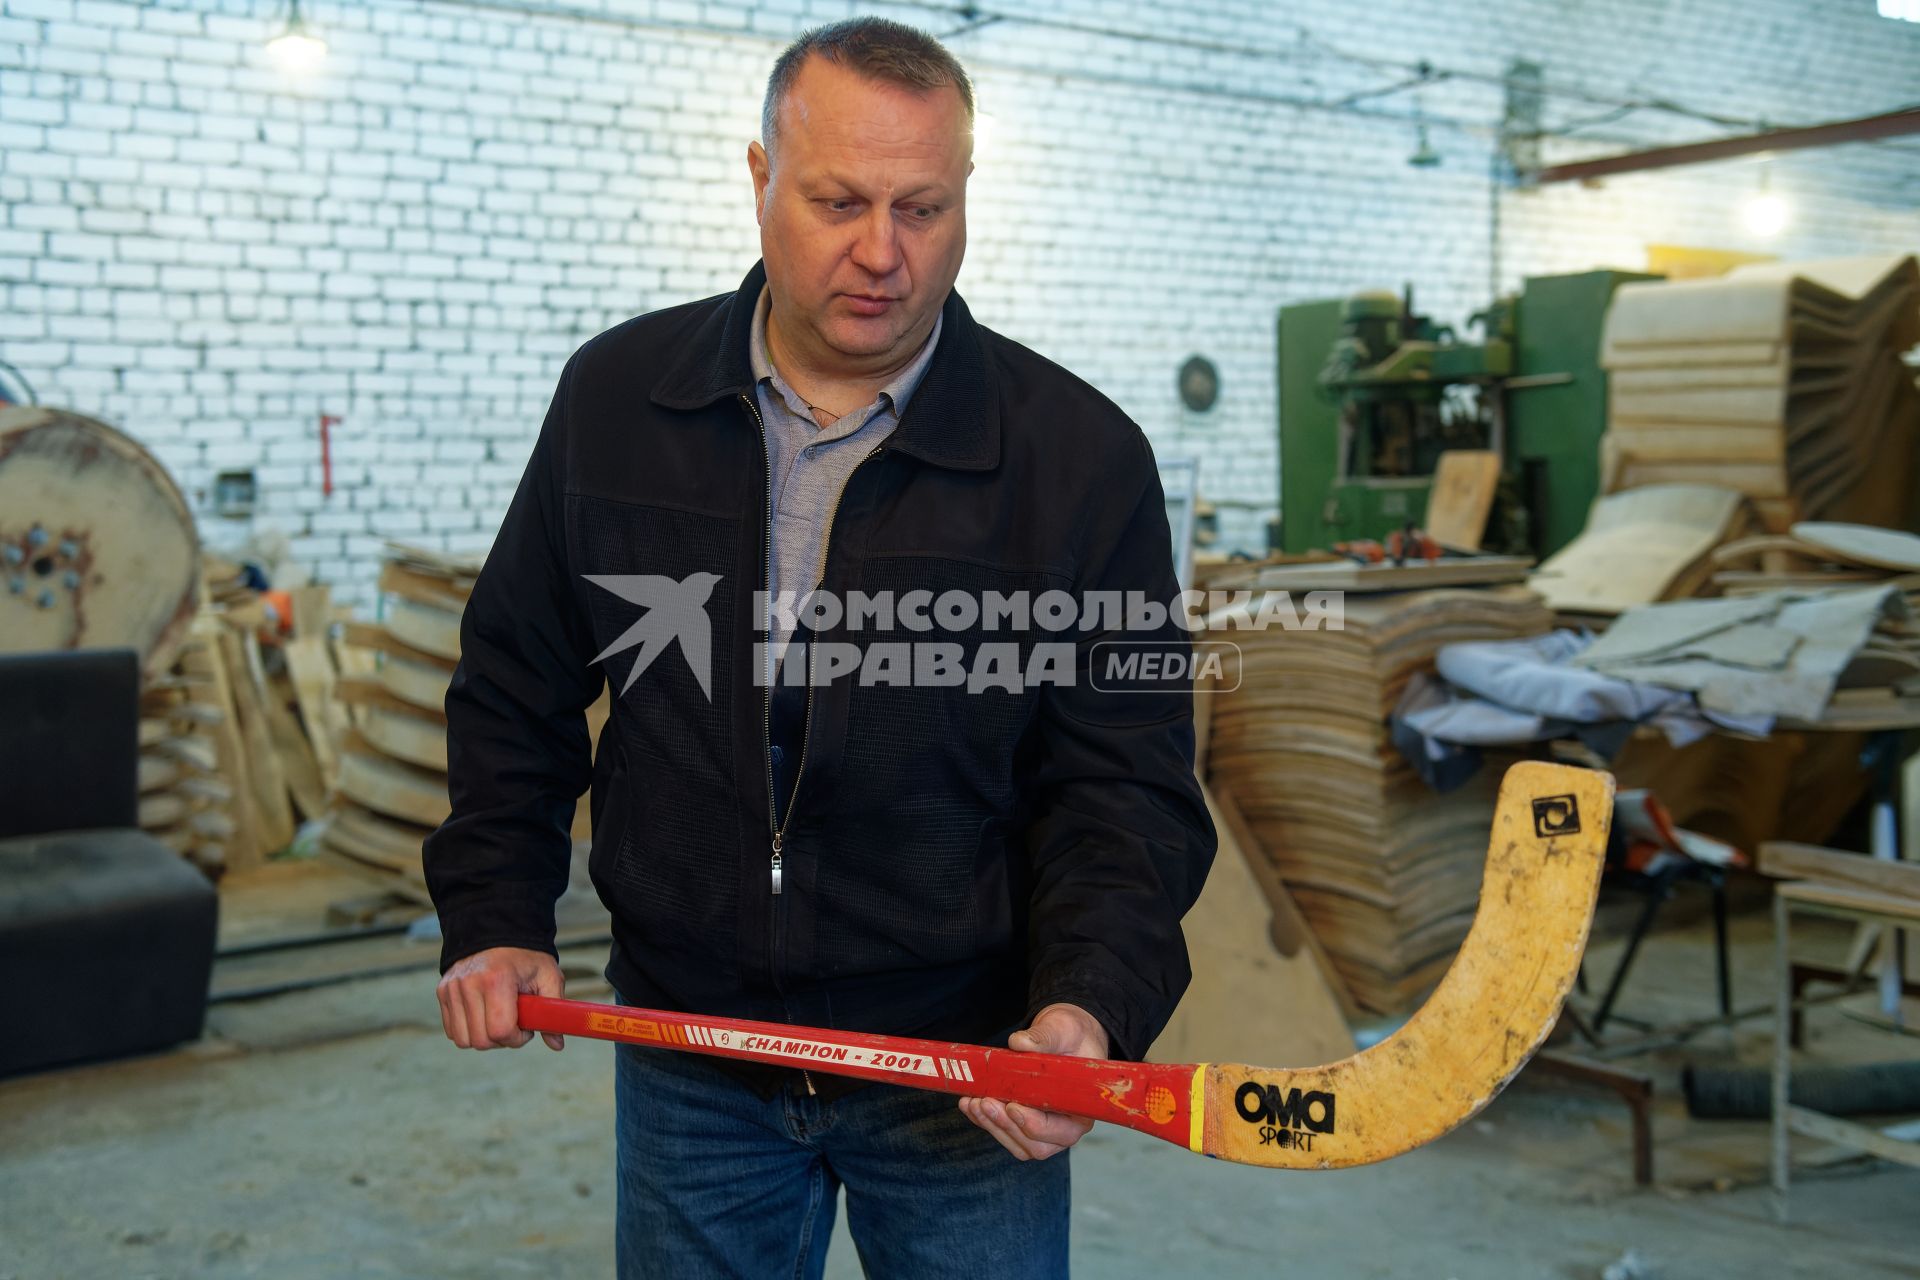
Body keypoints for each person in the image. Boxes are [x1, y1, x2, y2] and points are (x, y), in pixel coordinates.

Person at [425, 17, 1215, 1278]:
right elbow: (517, 681)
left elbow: (1124, 783)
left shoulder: (1079, 459)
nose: (882, 254)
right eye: (837, 200)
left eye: (924, 208)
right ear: (758, 179)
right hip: (692, 1048)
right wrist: (493, 908)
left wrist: (1086, 1009)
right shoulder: (619, 405)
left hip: (961, 1067)